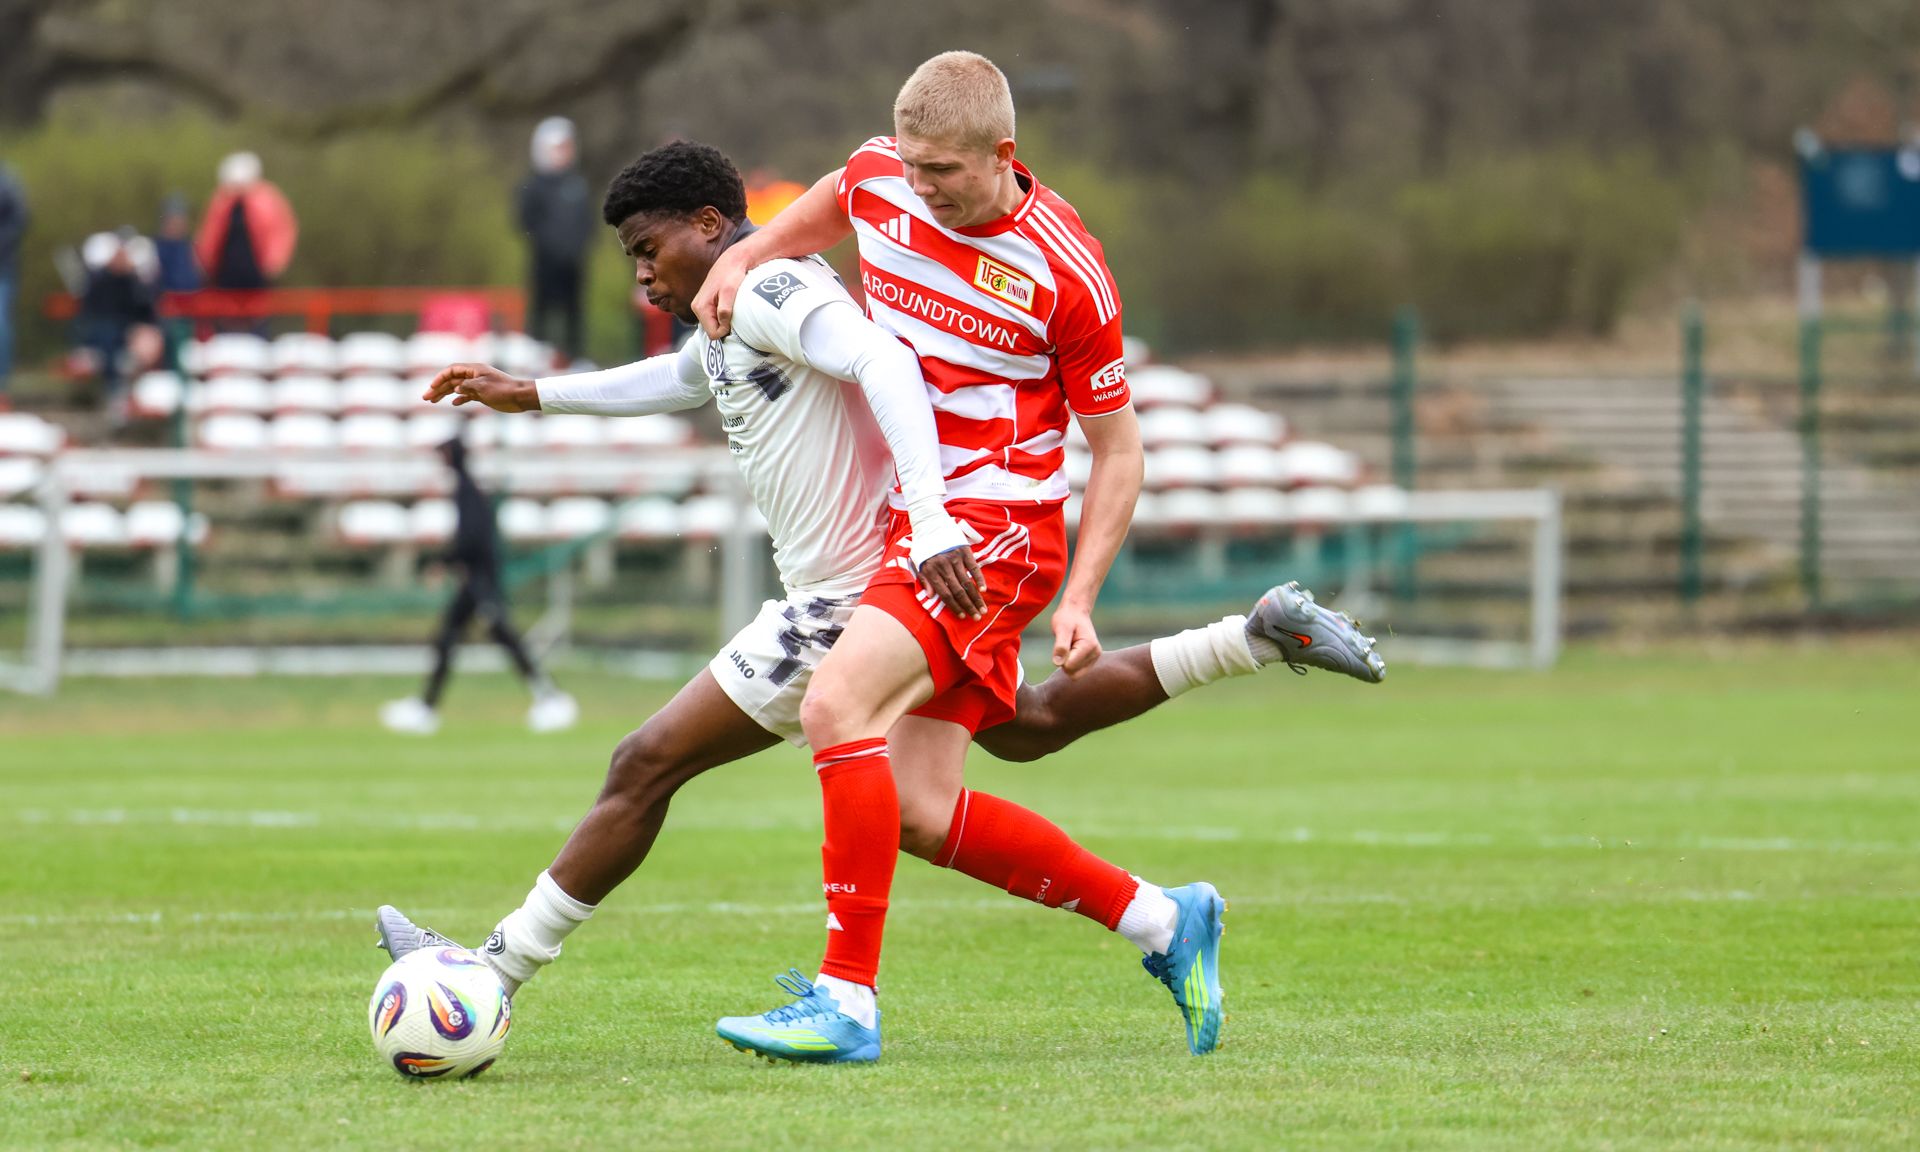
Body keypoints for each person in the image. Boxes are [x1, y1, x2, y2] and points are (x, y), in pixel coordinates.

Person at [373, 140, 1383, 1058]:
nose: (640, 271)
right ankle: (1169, 900)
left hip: (854, 598)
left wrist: (936, 523)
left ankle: (496, 975)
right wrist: (536, 393)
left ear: (713, 228)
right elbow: (689, 375)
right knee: (961, 779)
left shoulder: (771, 284)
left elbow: (883, 361)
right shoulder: (739, 308)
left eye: (649, 247)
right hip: (880, 585)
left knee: (646, 762)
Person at [695, 51, 1381, 1063]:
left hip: (993, 534)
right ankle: (1162, 919)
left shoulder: (1066, 271)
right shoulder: (882, 175)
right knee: (921, 814)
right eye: (912, 166)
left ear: (1003, 154)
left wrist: (1081, 599)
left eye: (943, 173)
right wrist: (738, 260)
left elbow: (1120, 448)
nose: (919, 188)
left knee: (837, 708)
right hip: (913, 522)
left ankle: (846, 1001)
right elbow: (841, 195)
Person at [380, 435, 578, 735]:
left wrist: (443, 562)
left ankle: (550, 698)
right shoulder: (467, 488)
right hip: (473, 582)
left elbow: (470, 539)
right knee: (451, 640)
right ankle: (426, 708)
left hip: (479, 583)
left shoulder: (466, 490)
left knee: (503, 639)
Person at [517, 117, 596, 366]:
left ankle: (574, 357)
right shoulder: (534, 185)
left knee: (574, 312)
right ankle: (535, 357)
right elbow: (527, 223)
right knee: (541, 310)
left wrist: (578, 246)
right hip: (545, 261)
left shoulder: (578, 184)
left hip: (574, 263)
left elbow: (588, 220)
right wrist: (551, 246)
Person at [73, 231, 162, 419]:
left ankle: (123, 397)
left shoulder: (136, 281)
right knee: (108, 336)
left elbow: (146, 312)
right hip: (105, 335)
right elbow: (91, 310)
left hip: (128, 334)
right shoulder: (101, 279)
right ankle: (117, 396)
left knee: (123, 342)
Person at [195, 152, 298, 293]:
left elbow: (281, 232)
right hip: (226, 274)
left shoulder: (267, 199)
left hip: (256, 274)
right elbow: (210, 235)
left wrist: (274, 263)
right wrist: (205, 263)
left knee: (256, 310)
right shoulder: (221, 201)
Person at [0, 161, 27, 411]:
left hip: (2, 267)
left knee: (1, 327)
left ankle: (1, 387)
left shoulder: (7, 183)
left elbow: (19, 220)